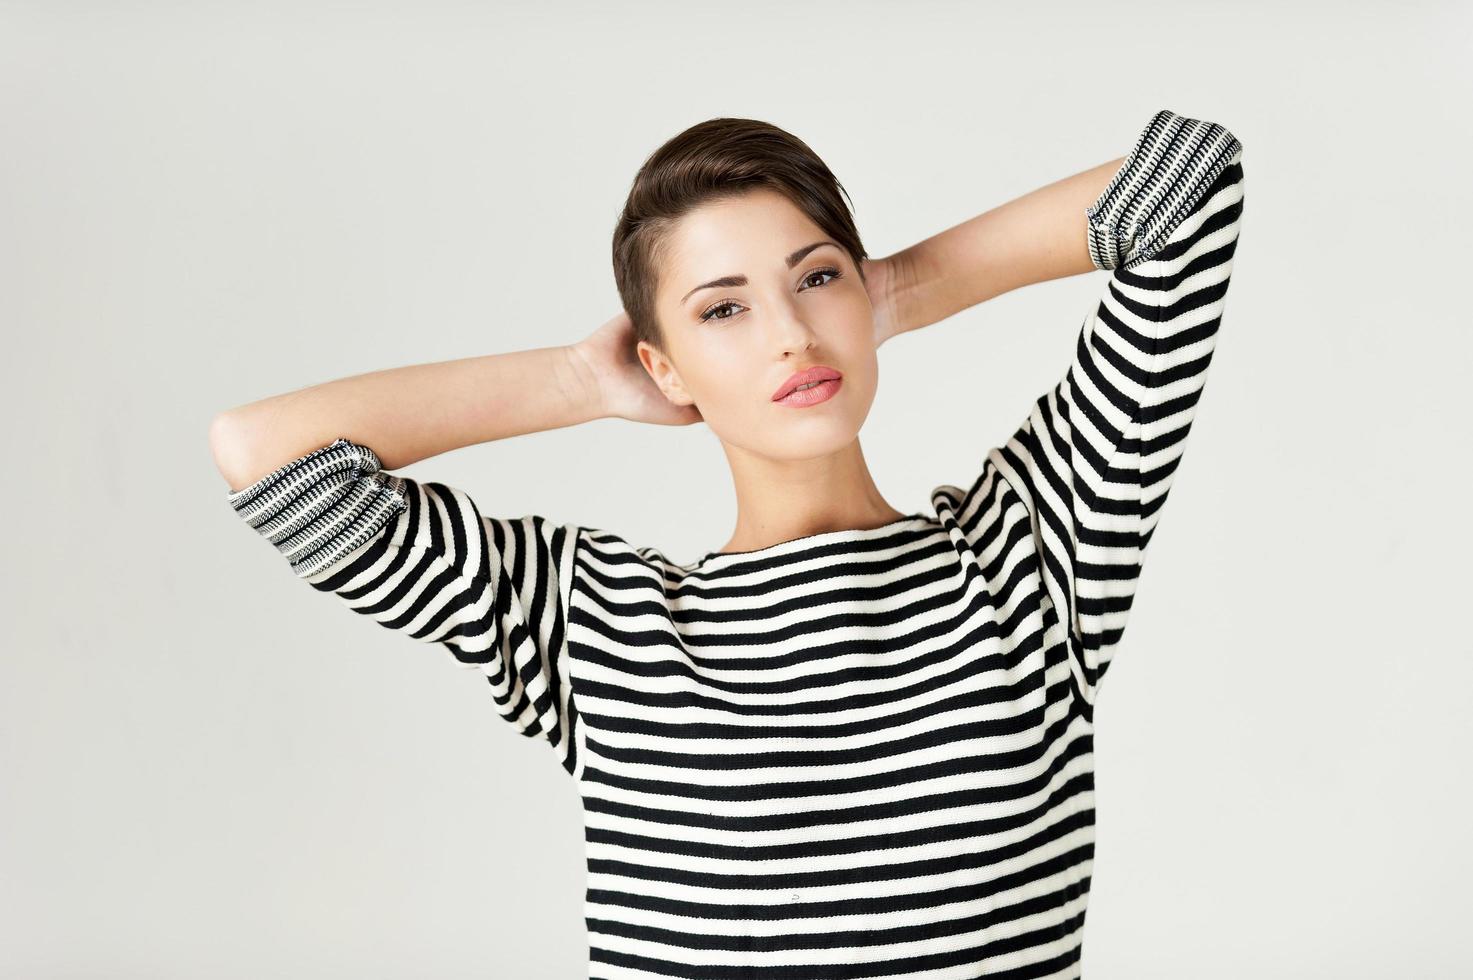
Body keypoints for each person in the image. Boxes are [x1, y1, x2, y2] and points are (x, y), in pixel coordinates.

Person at [211, 107, 1245, 979]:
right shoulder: (599, 624)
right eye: (725, 309)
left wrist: (899, 287)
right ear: (664, 364)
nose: (789, 334)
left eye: (816, 278)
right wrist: (579, 379)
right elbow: (263, 456)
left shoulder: (1032, 554)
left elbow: (1188, 184)